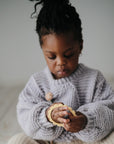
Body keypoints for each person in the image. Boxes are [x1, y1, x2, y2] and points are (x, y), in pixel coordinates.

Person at [8, 0, 114, 144]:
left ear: (80, 46)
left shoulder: (94, 79)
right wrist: (47, 115)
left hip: (87, 141)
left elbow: (110, 110)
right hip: (49, 141)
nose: (60, 62)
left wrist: (85, 120)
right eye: (51, 57)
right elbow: (25, 115)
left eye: (68, 54)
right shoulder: (37, 82)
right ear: (43, 51)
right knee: (18, 140)